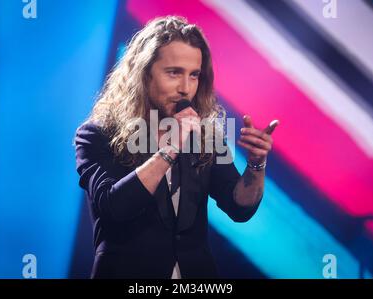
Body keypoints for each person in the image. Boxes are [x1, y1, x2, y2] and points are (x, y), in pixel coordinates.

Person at [74, 16, 278, 279]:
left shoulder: (204, 136)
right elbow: (116, 207)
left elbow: (239, 207)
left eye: (194, 75)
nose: (185, 88)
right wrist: (171, 147)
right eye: (174, 73)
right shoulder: (97, 135)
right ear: (144, 74)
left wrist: (256, 164)